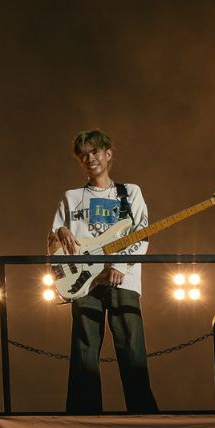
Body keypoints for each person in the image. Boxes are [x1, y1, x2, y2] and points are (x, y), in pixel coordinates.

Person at [49, 129, 159, 413]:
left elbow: (142, 234)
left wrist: (120, 265)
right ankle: (83, 416)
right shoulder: (71, 196)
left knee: (131, 348)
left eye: (95, 151)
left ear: (108, 154)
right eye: (83, 155)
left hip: (124, 280)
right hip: (85, 281)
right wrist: (60, 232)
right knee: (84, 349)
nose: (90, 158)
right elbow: (53, 243)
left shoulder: (130, 192)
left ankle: (143, 416)